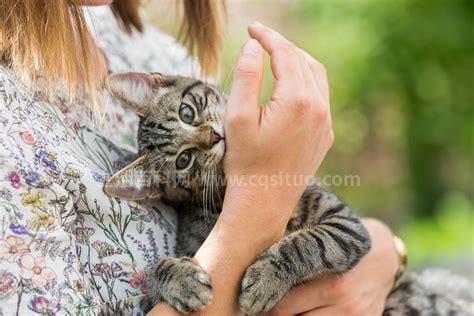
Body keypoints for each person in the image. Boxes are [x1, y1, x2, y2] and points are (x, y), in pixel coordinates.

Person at [0, 1, 398, 315]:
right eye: (187, 162)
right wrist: (262, 193)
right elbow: (188, 280)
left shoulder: (139, 43)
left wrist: (389, 252)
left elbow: (357, 240)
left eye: (187, 114)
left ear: (163, 83)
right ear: (164, 190)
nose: (208, 137)